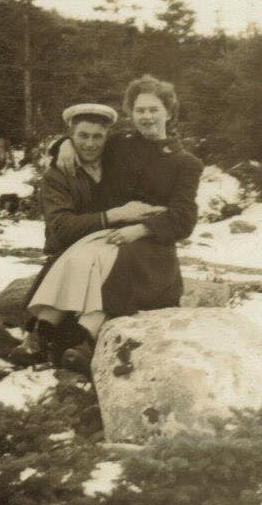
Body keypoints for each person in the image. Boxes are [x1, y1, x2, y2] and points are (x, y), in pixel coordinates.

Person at [16, 75, 203, 375]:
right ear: (131, 113)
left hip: (151, 245)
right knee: (78, 256)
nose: (146, 116)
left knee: (109, 258)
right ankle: (44, 333)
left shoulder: (186, 163)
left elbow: (184, 217)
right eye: (140, 110)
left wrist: (140, 228)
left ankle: (84, 341)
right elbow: (84, 138)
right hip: (108, 235)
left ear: (169, 111)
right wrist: (62, 145)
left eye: (153, 109)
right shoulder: (120, 144)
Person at [11, 102, 165, 366]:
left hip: (119, 245)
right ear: (71, 134)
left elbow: (153, 149)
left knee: (119, 262)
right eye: (82, 136)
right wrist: (112, 215)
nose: (90, 144)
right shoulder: (58, 176)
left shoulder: (118, 159)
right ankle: (45, 338)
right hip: (70, 252)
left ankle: (75, 339)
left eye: (98, 136)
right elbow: (61, 229)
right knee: (89, 262)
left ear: (107, 137)